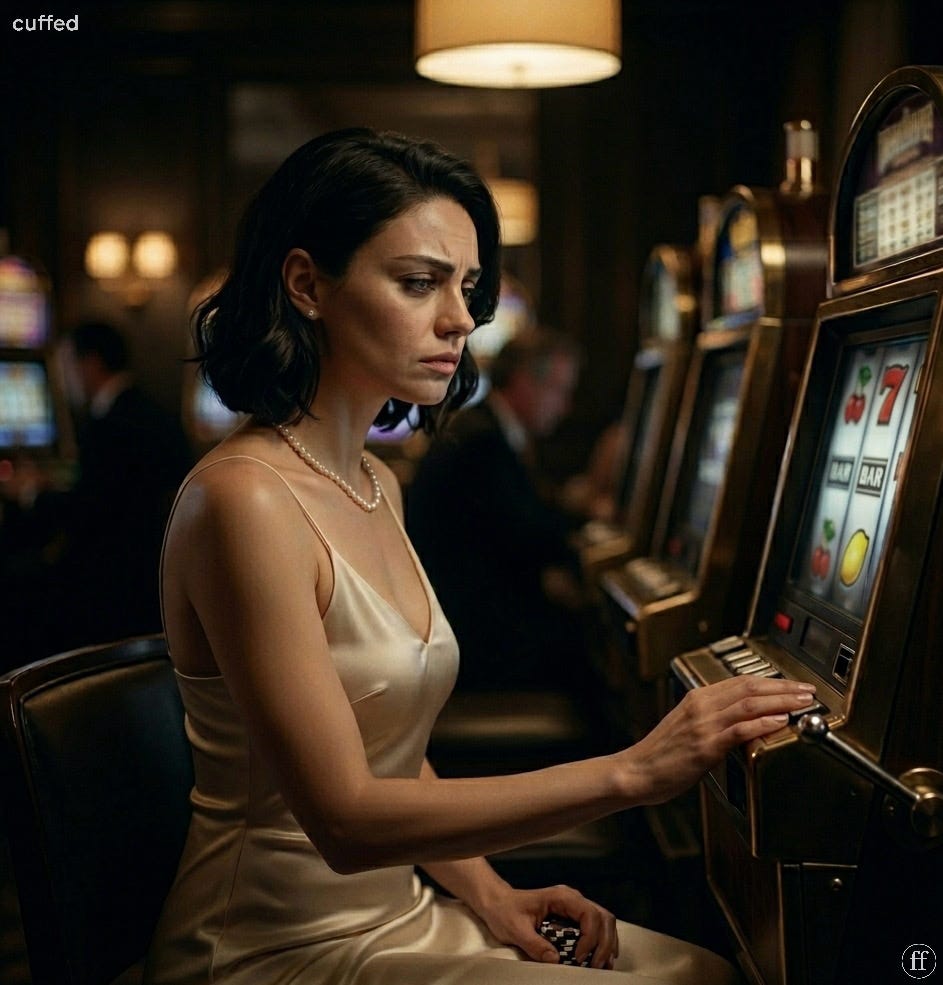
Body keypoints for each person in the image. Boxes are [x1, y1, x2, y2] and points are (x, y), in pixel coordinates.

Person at [143, 128, 819, 985]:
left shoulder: (374, 482)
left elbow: (385, 747)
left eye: (464, 286)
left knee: (704, 967)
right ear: (307, 284)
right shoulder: (243, 499)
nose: (461, 317)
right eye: (419, 282)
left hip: (400, 912)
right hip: (269, 948)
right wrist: (633, 770)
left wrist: (492, 893)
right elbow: (344, 817)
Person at [407, 330, 588, 691]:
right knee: (589, 659)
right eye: (560, 390)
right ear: (523, 381)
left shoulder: (484, 426)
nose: (565, 406)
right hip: (470, 644)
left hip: (462, 625)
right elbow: (527, 536)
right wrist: (589, 519)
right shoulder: (482, 441)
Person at [53, 320, 193, 648]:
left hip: (111, 584)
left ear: (91, 363)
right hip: (157, 577)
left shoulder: (108, 426)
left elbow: (86, 511)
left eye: (69, 364)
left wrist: (31, 494)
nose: (65, 378)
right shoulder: (157, 410)